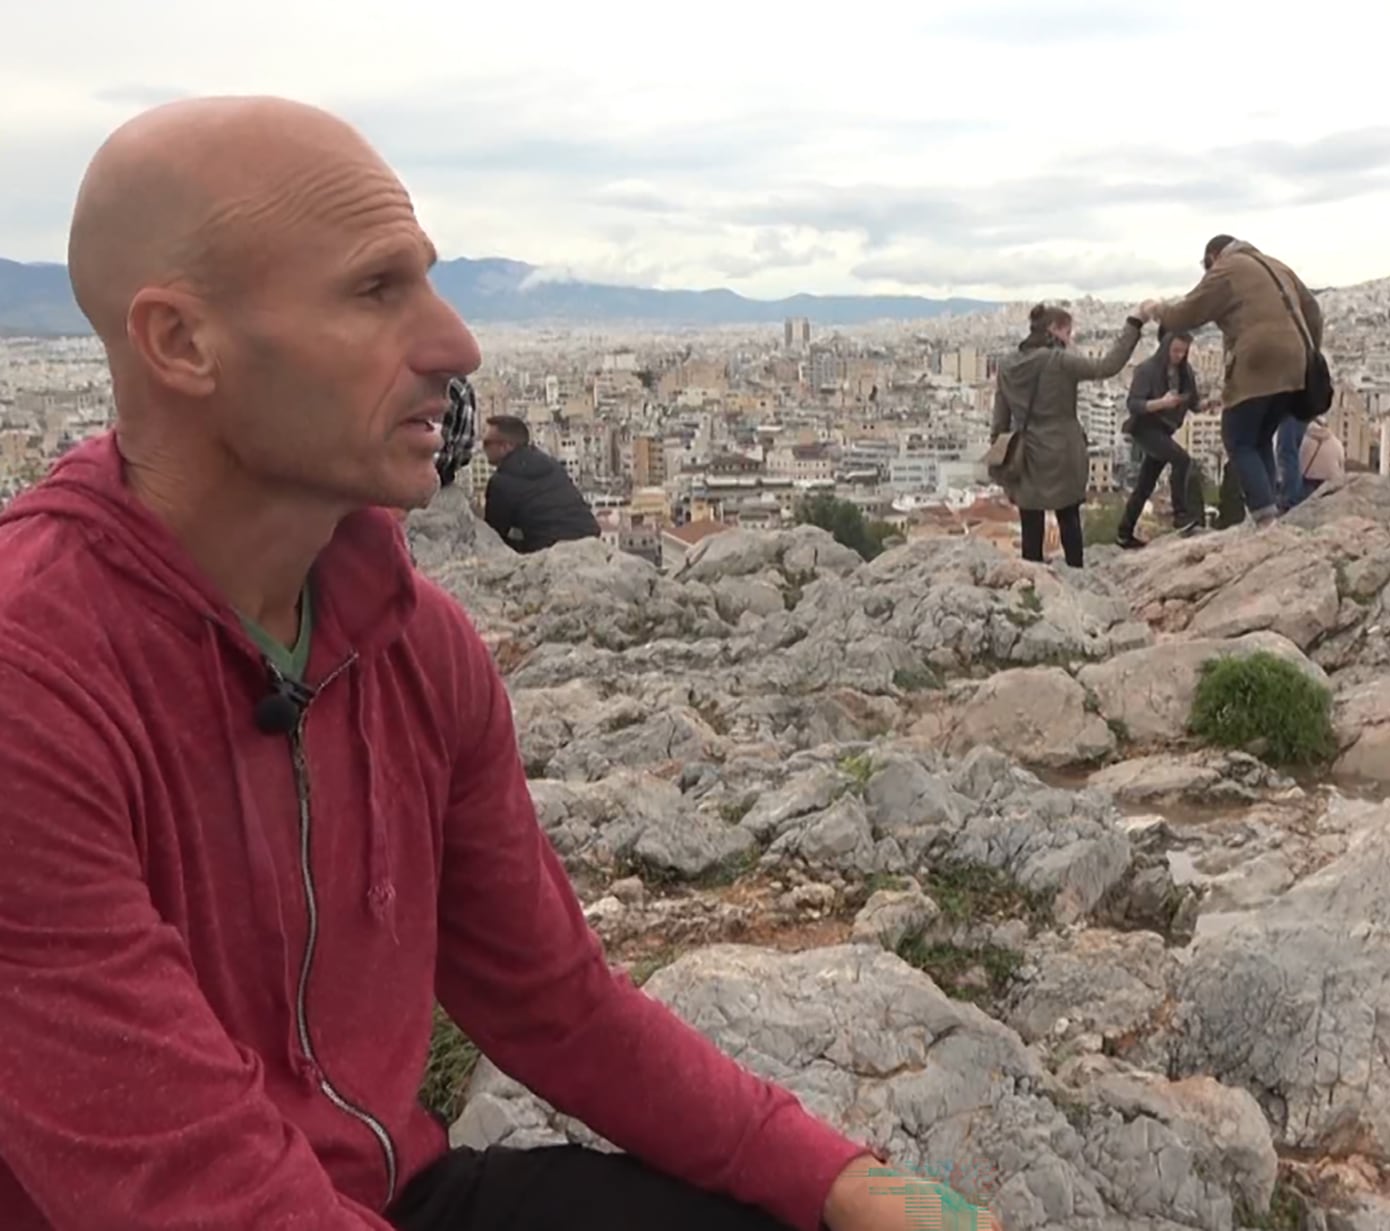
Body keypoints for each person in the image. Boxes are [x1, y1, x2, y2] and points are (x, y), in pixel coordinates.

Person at [0, 95, 997, 1231]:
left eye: (426, 281)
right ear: (183, 343)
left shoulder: (413, 645)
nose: (456, 345)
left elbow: (557, 1004)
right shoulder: (34, 679)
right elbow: (187, 1190)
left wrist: (838, 1179)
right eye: (376, 291)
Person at [1155, 235, 1323, 525]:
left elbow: (1185, 314)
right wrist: (1308, 353)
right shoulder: (1277, 266)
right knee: (1260, 439)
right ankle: (1270, 509)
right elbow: (1314, 313)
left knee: (1237, 437)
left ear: (1213, 257)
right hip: (1296, 367)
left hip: (1258, 361)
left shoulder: (1227, 268)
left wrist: (1157, 310)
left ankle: (1265, 519)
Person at [988, 301, 1151, 566]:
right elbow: (1107, 366)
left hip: (1026, 454)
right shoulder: (1059, 361)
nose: (1070, 339)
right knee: (1069, 519)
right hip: (1063, 452)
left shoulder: (1006, 366)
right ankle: (1076, 574)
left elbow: (1000, 420)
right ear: (1053, 329)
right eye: (1068, 332)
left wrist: (1003, 466)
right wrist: (1134, 323)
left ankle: (1033, 581)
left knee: (1031, 526)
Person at [1115, 328, 1202, 548]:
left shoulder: (1185, 372)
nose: (1179, 355)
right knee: (1182, 460)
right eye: (1176, 350)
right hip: (1145, 428)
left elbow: (1194, 402)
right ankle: (1181, 516)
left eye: (1183, 351)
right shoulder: (1147, 370)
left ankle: (1124, 532)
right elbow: (1133, 404)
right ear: (1165, 348)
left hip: (1165, 429)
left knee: (1145, 485)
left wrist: (1211, 404)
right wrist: (1161, 403)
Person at [479, 414, 602, 552]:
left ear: (506, 446)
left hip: (549, 550)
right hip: (589, 539)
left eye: (487, 443)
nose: (483, 448)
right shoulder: (551, 464)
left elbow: (493, 536)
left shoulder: (501, 482)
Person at [1299, 416, 1346, 500]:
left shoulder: (1304, 440)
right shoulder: (1336, 442)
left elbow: (1298, 461)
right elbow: (1341, 463)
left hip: (1309, 479)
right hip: (1330, 480)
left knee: (1307, 503)